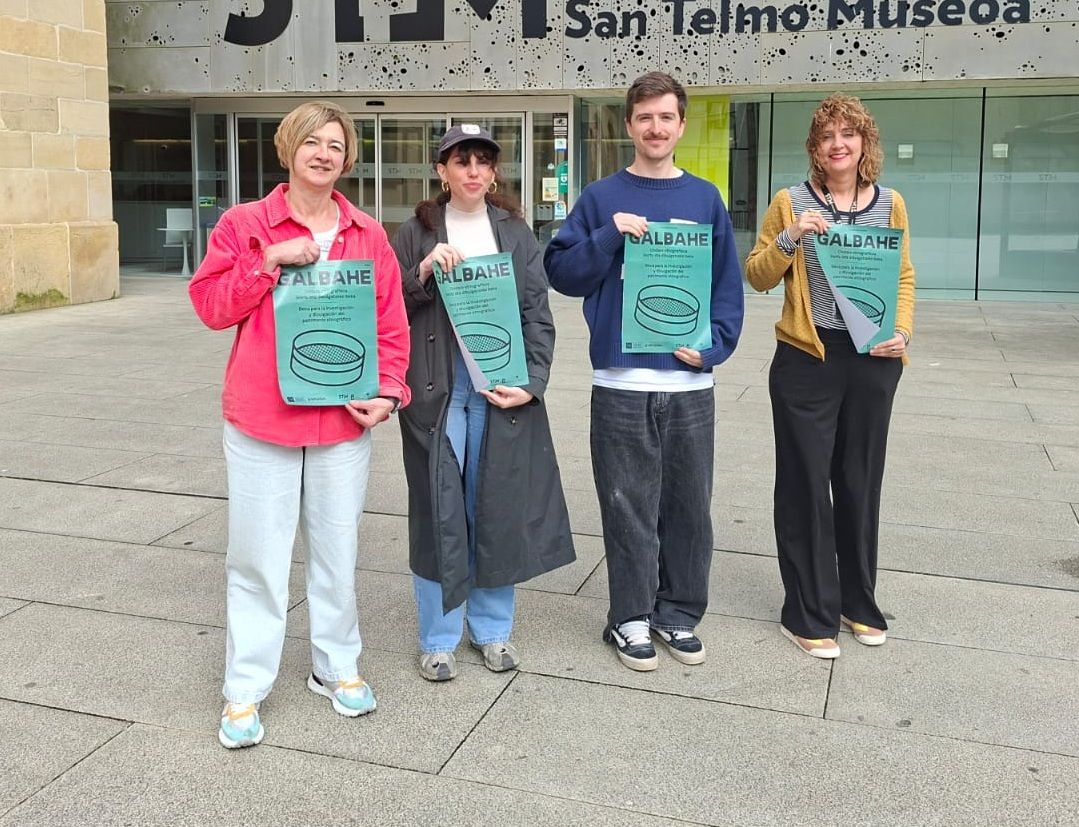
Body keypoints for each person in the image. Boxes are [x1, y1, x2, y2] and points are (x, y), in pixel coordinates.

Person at [189, 100, 410, 747]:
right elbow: (209, 305)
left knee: (337, 555)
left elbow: (391, 326)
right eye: (311, 141)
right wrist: (266, 263)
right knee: (257, 560)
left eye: (335, 146)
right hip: (264, 420)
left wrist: (390, 390)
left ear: (347, 159)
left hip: (342, 422)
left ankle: (335, 666)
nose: (323, 153)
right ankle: (245, 688)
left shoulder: (366, 234)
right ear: (288, 149)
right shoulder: (245, 223)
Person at [545, 73, 744, 672]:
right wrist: (608, 236)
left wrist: (714, 349)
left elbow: (725, 286)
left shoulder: (706, 198)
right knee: (626, 503)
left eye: (666, 117)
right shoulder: (601, 197)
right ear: (629, 125)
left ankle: (678, 613)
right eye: (644, 118)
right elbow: (563, 272)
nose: (656, 128)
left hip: (687, 383)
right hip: (622, 382)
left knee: (688, 506)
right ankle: (629, 617)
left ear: (681, 125)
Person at [392, 124, 575, 682]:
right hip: (437, 392)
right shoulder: (414, 232)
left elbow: (536, 315)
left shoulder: (516, 234)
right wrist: (422, 273)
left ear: (494, 173)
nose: (472, 170)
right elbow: (389, 304)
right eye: (460, 160)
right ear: (441, 171)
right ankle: (439, 637)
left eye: (482, 161)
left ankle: (492, 632)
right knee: (438, 510)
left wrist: (534, 380)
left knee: (495, 507)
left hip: (500, 392)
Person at [745, 93, 915, 659]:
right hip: (807, 359)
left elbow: (905, 276)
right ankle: (807, 610)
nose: (838, 144)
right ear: (815, 149)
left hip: (872, 360)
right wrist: (793, 238)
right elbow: (758, 275)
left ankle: (856, 601)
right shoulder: (789, 202)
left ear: (864, 142)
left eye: (849, 134)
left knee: (860, 482)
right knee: (804, 484)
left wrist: (904, 334)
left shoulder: (889, 202)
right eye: (826, 136)